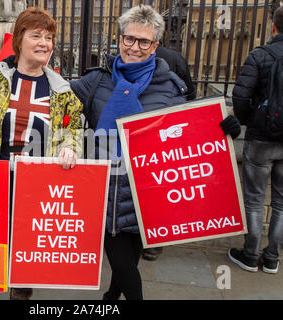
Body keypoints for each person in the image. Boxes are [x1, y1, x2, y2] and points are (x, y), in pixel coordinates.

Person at [71, 5, 240, 300]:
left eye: (143, 41)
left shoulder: (171, 88)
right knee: (123, 264)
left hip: (150, 195)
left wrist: (225, 127)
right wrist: (22, 62)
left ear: (155, 46)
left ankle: (110, 298)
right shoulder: (96, 81)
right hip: (107, 192)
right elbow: (56, 99)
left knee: (130, 261)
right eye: (129, 39)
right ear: (119, 38)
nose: (134, 47)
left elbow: (189, 134)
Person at [0, 7, 83, 300]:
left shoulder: (61, 90)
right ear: (20, 39)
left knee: (26, 250)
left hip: (35, 181)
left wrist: (69, 147)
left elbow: (72, 127)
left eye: (49, 37)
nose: (44, 43)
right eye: (36, 35)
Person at [229, 4, 283, 274]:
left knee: (254, 199)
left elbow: (240, 97)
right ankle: (272, 259)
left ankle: (249, 256)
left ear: (273, 26)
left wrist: (250, 121)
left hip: (260, 139)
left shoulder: (260, 55)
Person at [142, 44, 196, 261]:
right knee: (159, 190)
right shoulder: (176, 58)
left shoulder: (129, 57)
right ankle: (154, 243)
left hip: (147, 134)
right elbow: (190, 95)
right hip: (164, 136)